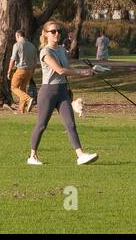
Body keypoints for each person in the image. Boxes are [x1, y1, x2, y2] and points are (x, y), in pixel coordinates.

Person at [27, 20, 98, 166]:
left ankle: (80, 155)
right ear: (46, 34)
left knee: (70, 124)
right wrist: (83, 72)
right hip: (48, 92)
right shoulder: (45, 52)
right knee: (41, 125)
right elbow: (59, 70)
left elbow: (67, 68)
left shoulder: (61, 50)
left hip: (62, 91)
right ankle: (32, 156)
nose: (57, 34)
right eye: (53, 31)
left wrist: (88, 70)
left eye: (58, 31)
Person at [6, 28, 36, 113]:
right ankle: (21, 110)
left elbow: (13, 59)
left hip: (20, 69)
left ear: (18, 35)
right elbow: (35, 60)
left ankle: (28, 99)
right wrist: (32, 71)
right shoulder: (32, 46)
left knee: (13, 87)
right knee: (22, 89)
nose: (15, 38)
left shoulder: (17, 45)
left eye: (16, 36)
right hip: (29, 71)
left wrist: (9, 71)